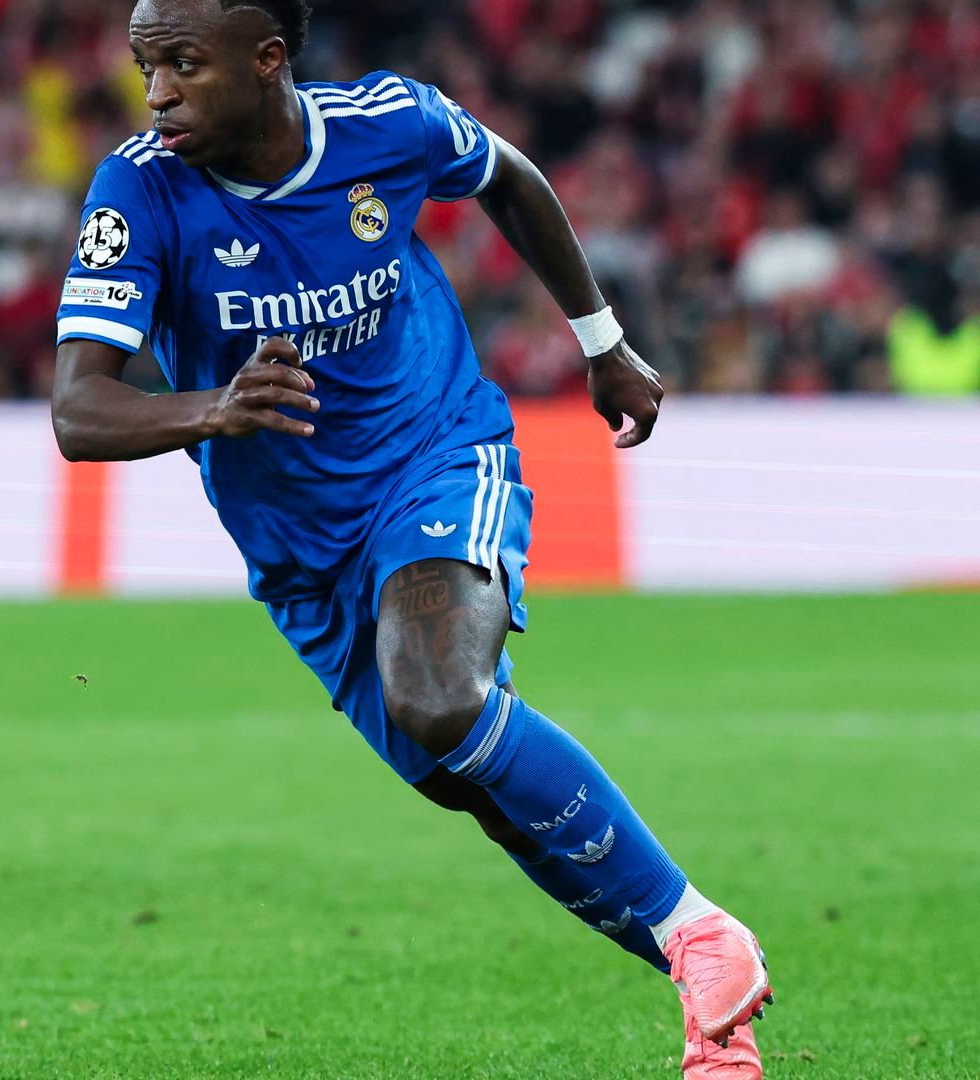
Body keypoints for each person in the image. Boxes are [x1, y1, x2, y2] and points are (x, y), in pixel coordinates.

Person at [48, 3, 770, 1077]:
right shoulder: (140, 187)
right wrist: (212, 408)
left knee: (443, 698)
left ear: (268, 59)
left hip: (433, 456)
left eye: (183, 66)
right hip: (300, 550)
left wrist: (601, 340)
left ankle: (704, 936)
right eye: (147, 67)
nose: (157, 95)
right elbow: (77, 410)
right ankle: (708, 996)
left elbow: (510, 179)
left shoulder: (389, 124)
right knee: (475, 782)